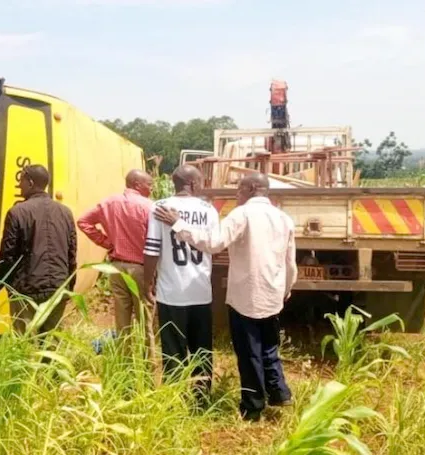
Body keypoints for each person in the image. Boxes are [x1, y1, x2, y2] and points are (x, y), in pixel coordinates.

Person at [155, 172, 297, 421]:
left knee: (249, 350)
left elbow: (213, 243)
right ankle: (279, 391)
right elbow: (290, 263)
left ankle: (253, 406)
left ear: (252, 188)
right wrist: (285, 289)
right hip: (273, 294)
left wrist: (178, 224)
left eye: (239, 189)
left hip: (247, 296)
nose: (236, 194)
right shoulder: (283, 218)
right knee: (269, 345)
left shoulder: (242, 215)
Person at [143, 165, 218, 400]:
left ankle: (174, 399)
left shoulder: (160, 207)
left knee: (173, 349)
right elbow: (213, 246)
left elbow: (152, 250)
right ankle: (201, 398)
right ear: (194, 184)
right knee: (201, 349)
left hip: (171, 291)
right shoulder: (209, 210)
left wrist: (147, 282)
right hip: (201, 290)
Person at [77, 170, 156, 358]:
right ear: (137, 184)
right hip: (141, 269)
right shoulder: (149, 207)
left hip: (116, 268)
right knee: (146, 321)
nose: (152, 188)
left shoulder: (108, 203)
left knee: (122, 321)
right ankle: (148, 366)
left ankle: (124, 365)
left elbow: (83, 221)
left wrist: (107, 243)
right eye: (149, 184)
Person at [0, 164, 78, 334]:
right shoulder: (66, 213)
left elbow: (8, 256)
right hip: (57, 288)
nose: (19, 185)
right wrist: (69, 286)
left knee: (23, 344)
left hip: (26, 290)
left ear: (31, 182)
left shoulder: (17, 212)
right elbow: (72, 254)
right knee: (50, 343)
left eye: (21, 181)